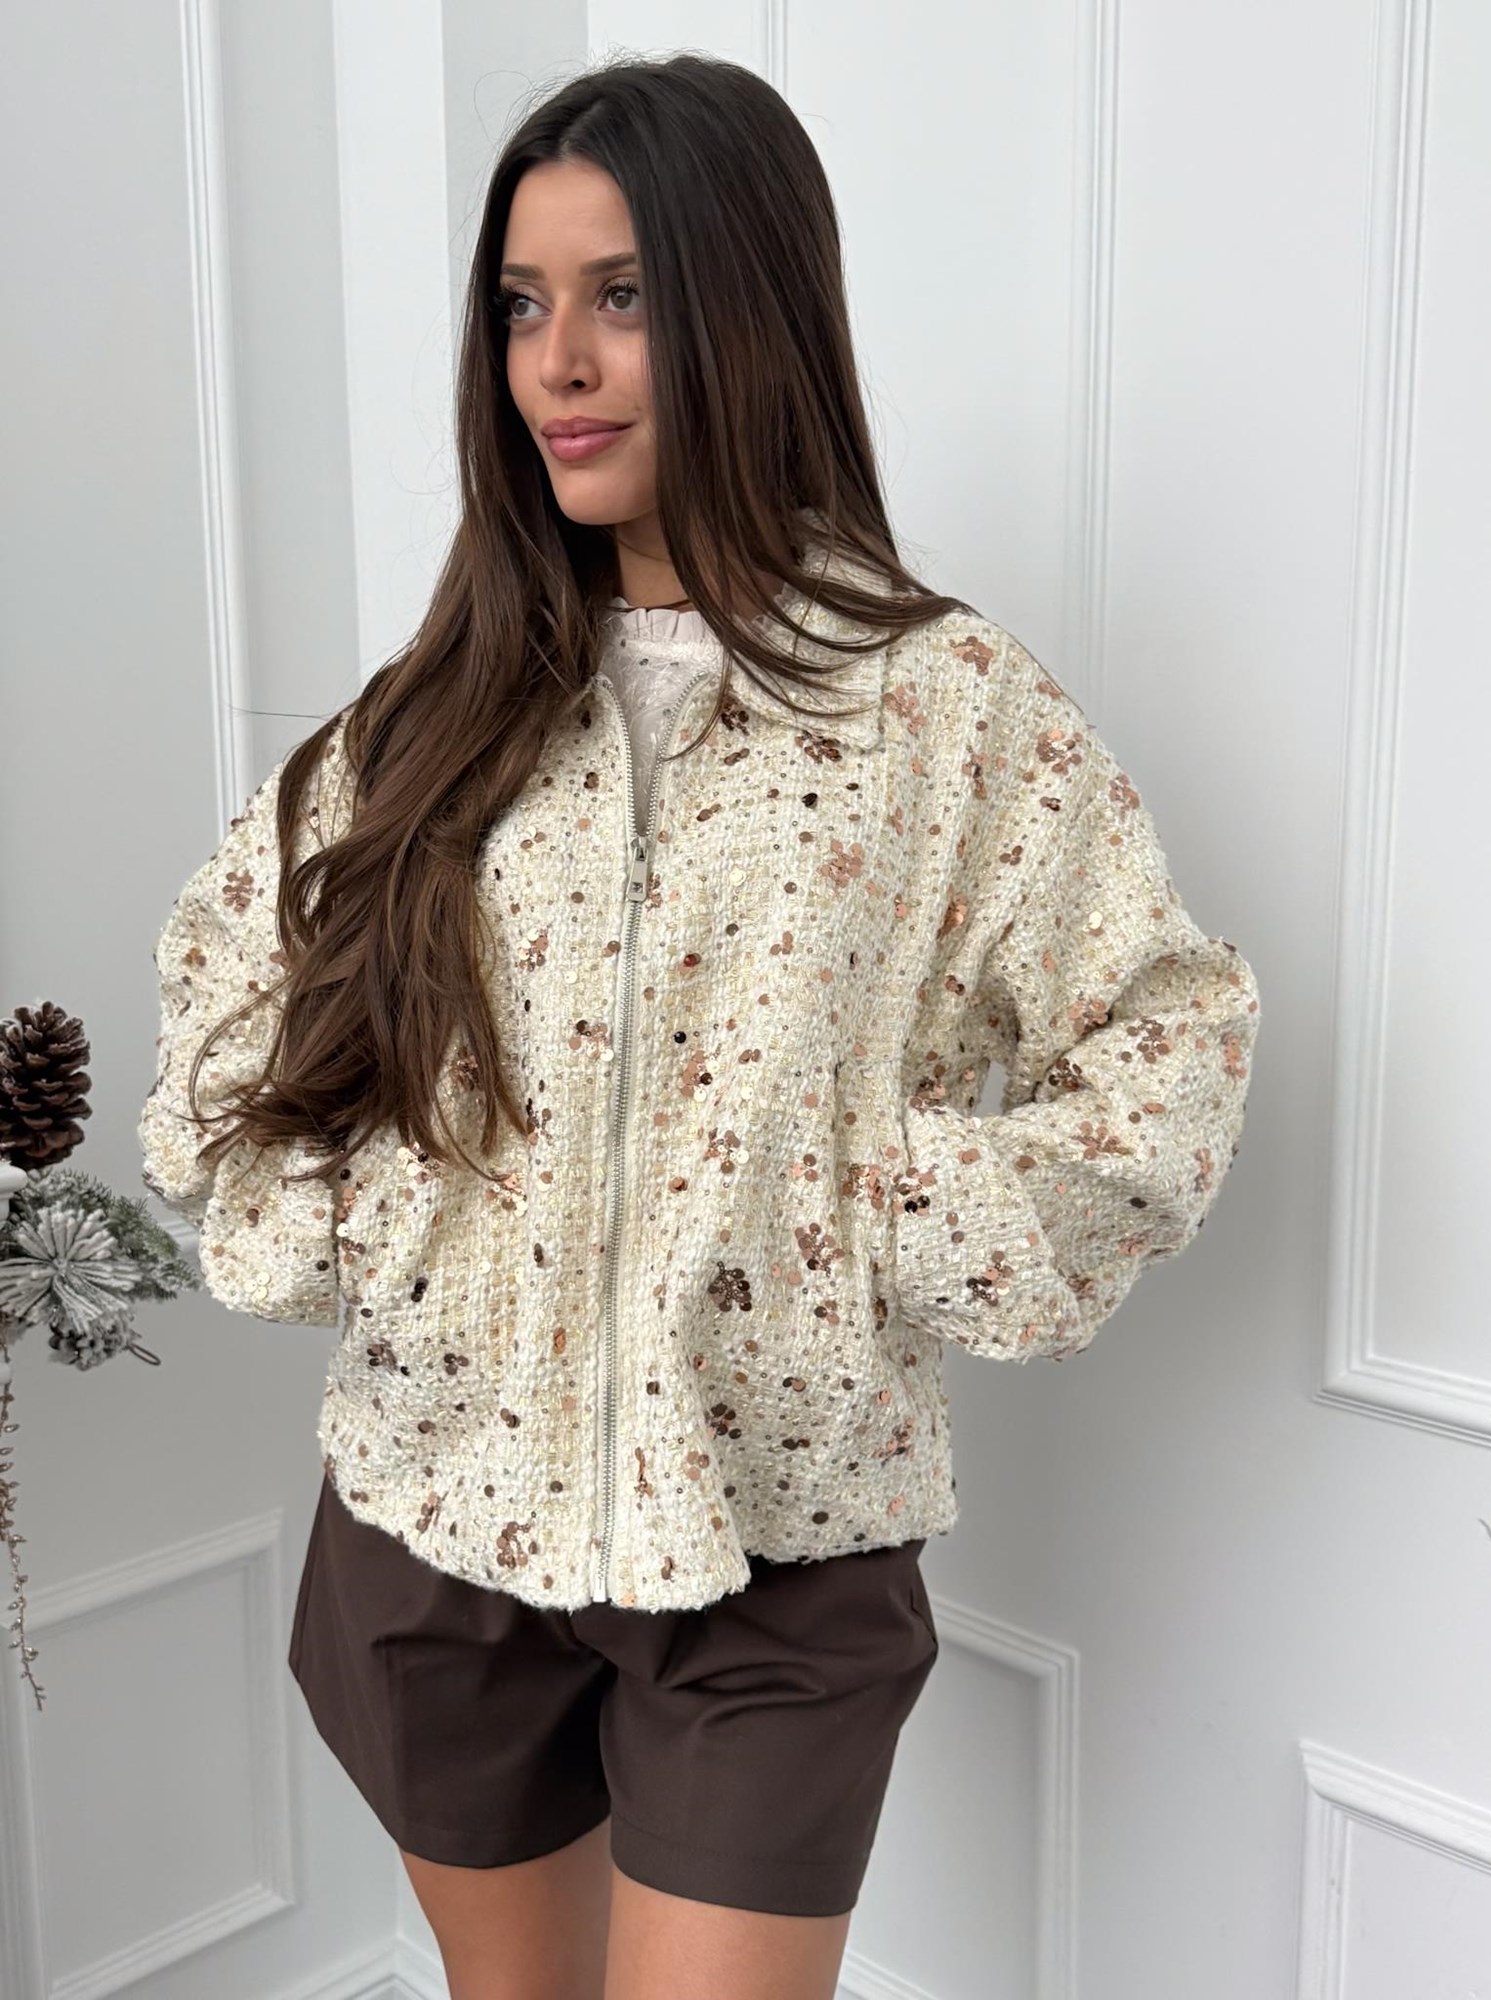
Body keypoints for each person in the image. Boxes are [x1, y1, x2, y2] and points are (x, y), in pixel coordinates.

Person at [137, 51, 1260, 2000]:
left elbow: (1168, 1038)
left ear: (752, 307)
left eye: (624, 295)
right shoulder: (432, 712)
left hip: (776, 1545)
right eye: (521, 304)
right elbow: (221, 1009)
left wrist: (862, 1215)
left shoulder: (942, 709)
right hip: (432, 1525)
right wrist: (391, 1218)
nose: (557, 362)